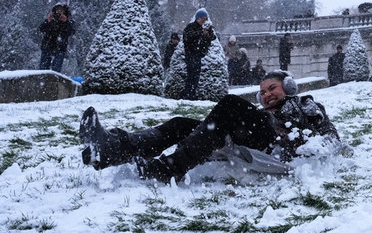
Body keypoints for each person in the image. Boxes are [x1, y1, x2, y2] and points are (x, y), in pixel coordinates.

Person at [79, 70, 340, 184]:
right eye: (262, 91)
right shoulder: (260, 113)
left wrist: (310, 151)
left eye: (272, 88)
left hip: (276, 145)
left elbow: (330, 136)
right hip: (251, 141)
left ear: (289, 87)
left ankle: (171, 168)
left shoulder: (303, 103)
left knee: (229, 104)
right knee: (181, 124)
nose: (267, 94)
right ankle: (113, 149)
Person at [181, 8, 217, 99]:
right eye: (202, 18)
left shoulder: (205, 28)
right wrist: (201, 32)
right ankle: (188, 94)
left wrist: (208, 32)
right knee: (191, 75)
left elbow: (213, 37)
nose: (203, 20)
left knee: (196, 76)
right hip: (190, 54)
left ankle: (192, 93)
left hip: (198, 55)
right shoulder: (190, 27)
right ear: (197, 18)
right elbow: (188, 37)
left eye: (205, 19)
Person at [38, 3, 75, 73]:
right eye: (57, 9)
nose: (59, 12)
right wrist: (48, 21)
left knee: (56, 71)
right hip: (47, 47)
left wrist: (65, 22)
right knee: (42, 70)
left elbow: (71, 32)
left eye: (61, 10)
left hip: (60, 48)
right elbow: (41, 29)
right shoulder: (50, 19)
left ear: (64, 11)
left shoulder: (68, 21)